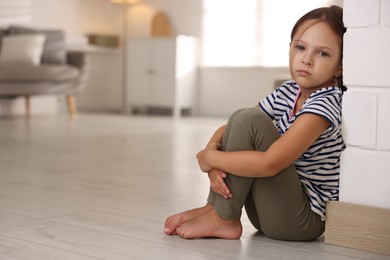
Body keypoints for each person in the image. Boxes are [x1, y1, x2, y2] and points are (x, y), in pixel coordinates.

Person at [164, 5, 346, 241]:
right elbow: (233, 128)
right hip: (268, 211)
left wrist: (211, 159)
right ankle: (215, 209)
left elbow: (270, 164)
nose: (307, 60)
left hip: (300, 221)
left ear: (340, 66)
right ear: (290, 50)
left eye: (323, 53)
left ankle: (224, 218)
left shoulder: (326, 104)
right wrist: (209, 151)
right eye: (300, 47)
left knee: (250, 120)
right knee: (242, 116)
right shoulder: (289, 91)